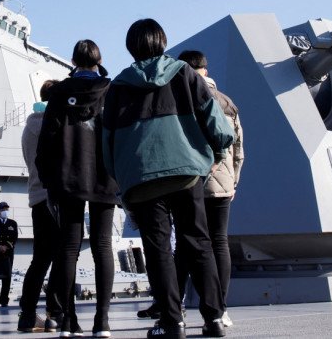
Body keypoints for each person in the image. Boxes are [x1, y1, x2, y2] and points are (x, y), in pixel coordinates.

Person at [102, 19, 234, 339]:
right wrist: (215, 156)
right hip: (187, 173)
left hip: (142, 178)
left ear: (131, 47)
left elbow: (107, 144)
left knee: (158, 249)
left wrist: (121, 180)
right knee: (198, 242)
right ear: (163, 41)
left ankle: (172, 323)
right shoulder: (185, 73)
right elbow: (220, 127)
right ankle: (214, 319)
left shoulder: (118, 86)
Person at [36, 40, 119, 338]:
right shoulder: (112, 90)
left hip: (68, 178)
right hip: (104, 177)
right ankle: (103, 321)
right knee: (102, 246)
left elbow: (47, 138)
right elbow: (118, 134)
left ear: (73, 60)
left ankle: (68, 321)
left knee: (69, 247)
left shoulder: (59, 93)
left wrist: (47, 178)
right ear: (99, 60)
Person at [175, 51, 244, 328]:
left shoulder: (180, 99)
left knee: (183, 244)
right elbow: (238, 150)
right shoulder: (227, 103)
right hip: (223, 184)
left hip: (188, 183)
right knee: (219, 242)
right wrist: (234, 182)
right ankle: (220, 308)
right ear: (205, 69)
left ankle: (176, 307)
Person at [17, 79, 68, 333]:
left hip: (37, 198)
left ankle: (27, 315)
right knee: (62, 256)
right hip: (59, 197)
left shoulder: (28, 128)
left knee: (40, 259)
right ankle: (54, 314)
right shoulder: (59, 123)